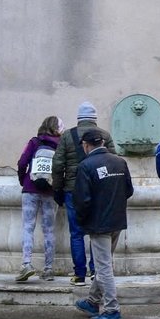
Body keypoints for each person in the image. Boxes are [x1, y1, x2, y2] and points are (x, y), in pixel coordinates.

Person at [71, 129, 133, 319]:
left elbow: (82, 200)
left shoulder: (86, 166)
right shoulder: (119, 162)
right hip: (117, 220)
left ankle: (112, 309)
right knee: (104, 262)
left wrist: (82, 221)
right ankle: (92, 301)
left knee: (103, 266)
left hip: (99, 224)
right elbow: (129, 190)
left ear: (86, 145)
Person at [51, 101, 116, 286]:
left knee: (76, 233)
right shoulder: (104, 135)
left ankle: (79, 274)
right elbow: (113, 159)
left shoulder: (67, 136)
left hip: (73, 190)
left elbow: (57, 164)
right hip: (99, 190)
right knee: (97, 230)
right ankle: (96, 271)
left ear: (79, 118)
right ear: (94, 119)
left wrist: (58, 188)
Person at [15, 116, 62, 282]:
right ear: (57, 128)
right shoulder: (60, 145)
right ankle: (48, 269)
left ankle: (26, 264)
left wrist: (24, 181)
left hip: (30, 189)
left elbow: (22, 163)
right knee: (49, 230)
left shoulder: (34, 142)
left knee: (28, 227)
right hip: (50, 191)